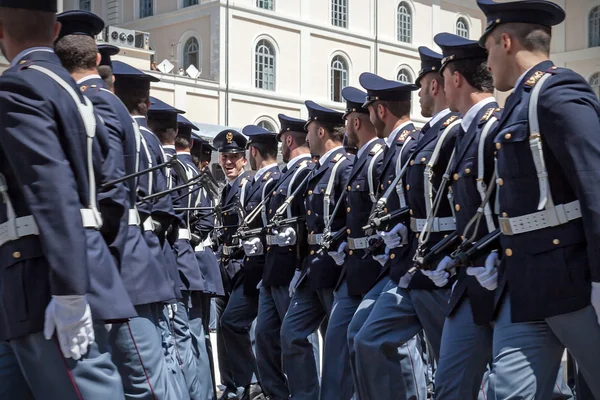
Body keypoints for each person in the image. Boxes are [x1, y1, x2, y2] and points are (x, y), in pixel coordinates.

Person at [54, 10, 189, 399]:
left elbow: (109, 192)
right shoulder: (109, 106)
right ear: (96, 60)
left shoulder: (93, 104)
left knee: (143, 378)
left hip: (118, 258)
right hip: (128, 252)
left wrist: (100, 256)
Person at [0, 1, 129, 397]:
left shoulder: (19, 86)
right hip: (74, 265)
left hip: (45, 278)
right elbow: (112, 189)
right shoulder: (76, 91)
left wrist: (69, 291)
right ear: (55, 31)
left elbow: (50, 188)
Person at [475, 0, 600, 398]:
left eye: (488, 49)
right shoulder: (521, 101)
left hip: (572, 282)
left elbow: (595, 182)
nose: (487, 64)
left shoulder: (556, 92)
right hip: (527, 280)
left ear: (506, 41)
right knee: (509, 392)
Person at [417, 35, 498, 399]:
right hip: (471, 278)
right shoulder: (466, 129)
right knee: (450, 385)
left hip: (506, 278)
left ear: (455, 79)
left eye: (443, 76)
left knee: (527, 386)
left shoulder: (492, 126)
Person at [112, 60, 189, 398]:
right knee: (165, 351)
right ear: (145, 102)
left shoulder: (130, 136)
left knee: (149, 364)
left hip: (132, 253)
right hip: (153, 253)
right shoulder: (152, 143)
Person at [350, 72, 426, 400]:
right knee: (358, 334)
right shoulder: (395, 146)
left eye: (369, 110)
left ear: (380, 110)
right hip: (395, 264)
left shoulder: (410, 143)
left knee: (380, 341)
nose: (368, 118)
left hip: (417, 264)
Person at [280, 100, 353, 400]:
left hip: (335, 270)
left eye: (309, 129)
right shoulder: (317, 169)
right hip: (313, 268)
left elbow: (355, 217)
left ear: (320, 131)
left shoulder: (344, 166)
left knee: (338, 347)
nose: (306, 136)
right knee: (292, 333)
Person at [320, 86, 385, 400]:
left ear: (355, 122)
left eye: (346, 119)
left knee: (379, 346)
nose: (343, 126)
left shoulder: (377, 158)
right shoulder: (359, 159)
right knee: (337, 343)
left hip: (375, 267)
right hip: (353, 268)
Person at [255, 113, 316, 400]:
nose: (280, 146)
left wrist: (300, 266)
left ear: (288, 139)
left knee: (297, 338)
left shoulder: (304, 172)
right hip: (274, 267)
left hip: (290, 265)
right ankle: (277, 393)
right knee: (266, 335)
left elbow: (308, 222)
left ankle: (305, 393)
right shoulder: (287, 174)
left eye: (281, 140)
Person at [212, 129, 250, 400]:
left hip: (242, 265)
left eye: (234, 157)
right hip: (225, 265)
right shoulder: (226, 188)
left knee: (232, 324)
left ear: (244, 160)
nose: (228, 162)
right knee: (223, 326)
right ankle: (230, 384)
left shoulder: (247, 186)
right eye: (225, 157)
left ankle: (250, 381)